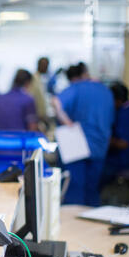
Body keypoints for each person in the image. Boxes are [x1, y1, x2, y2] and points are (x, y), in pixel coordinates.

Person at [52, 63, 114, 206]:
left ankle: (73, 227)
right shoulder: (104, 90)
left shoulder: (76, 88)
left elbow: (56, 102)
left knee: (74, 190)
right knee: (92, 190)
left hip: (77, 145)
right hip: (100, 146)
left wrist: (68, 123)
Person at [101, 82, 129, 186]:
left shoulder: (125, 115)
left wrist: (105, 140)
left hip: (127, 160)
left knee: (95, 173)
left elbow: (123, 143)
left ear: (117, 100)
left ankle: (93, 201)